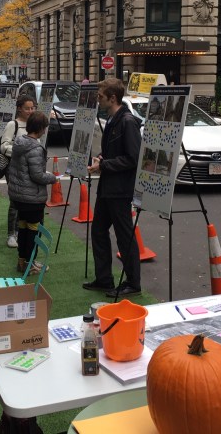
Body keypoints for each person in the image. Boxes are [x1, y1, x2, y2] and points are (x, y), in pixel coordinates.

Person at [84, 77, 142, 297]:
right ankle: (104, 279)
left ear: (112, 98)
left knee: (124, 235)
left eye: (100, 97)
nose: (98, 100)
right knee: (98, 230)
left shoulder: (126, 121)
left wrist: (104, 164)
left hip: (119, 189)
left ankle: (133, 283)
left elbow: (133, 158)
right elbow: (116, 153)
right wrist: (102, 158)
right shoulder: (113, 119)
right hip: (108, 187)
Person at [7, 111, 58, 274]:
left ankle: (22, 261)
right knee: (33, 231)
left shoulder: (20, 142)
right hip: (32, 197)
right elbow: (37, 175)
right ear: (41, 128)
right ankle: (30, 264)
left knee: (23, 228)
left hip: (18, 195)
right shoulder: (35, 147)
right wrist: (52, 178)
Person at [1, 94, 37, 248]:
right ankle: (11, 234)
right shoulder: (12, 124)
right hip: (14, 168)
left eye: (32, 108)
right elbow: (4, 146)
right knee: (15, 201)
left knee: (25, 200)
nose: (30, 111)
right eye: (27, 108)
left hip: (29, 169)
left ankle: (20, 229)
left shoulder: (34, 124)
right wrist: (19, 151)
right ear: (19, 109)